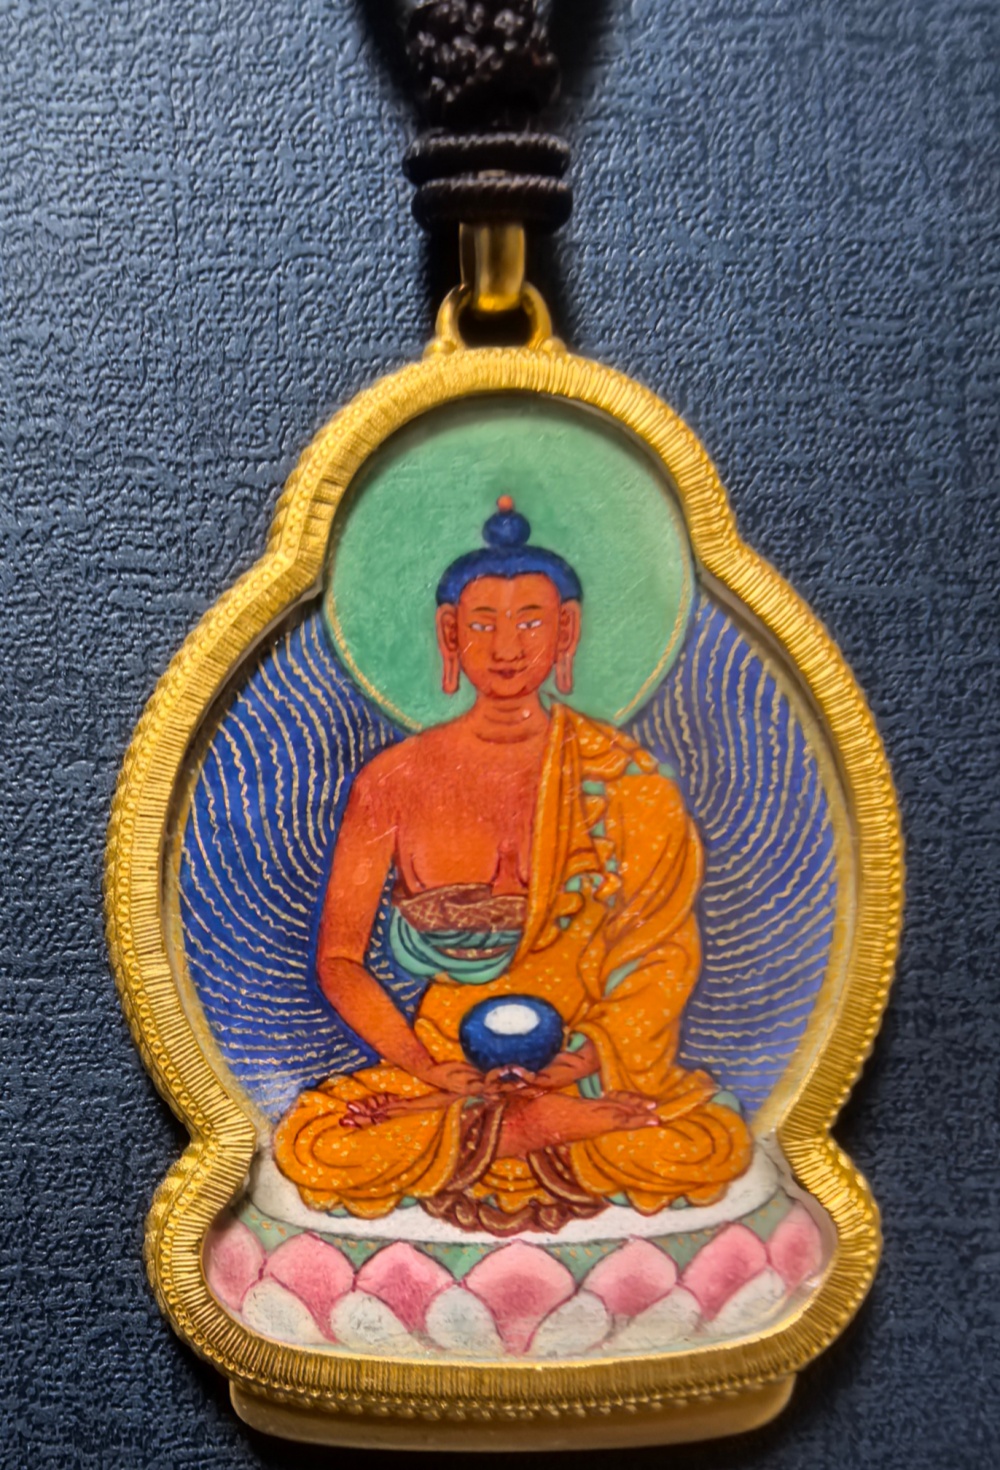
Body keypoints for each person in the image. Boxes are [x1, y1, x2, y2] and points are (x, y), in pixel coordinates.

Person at [273, 497, 752, 1232]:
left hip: (582, 1060)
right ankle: (538, 1129)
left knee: (709, 1141)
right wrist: (423, 1066)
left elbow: (661, 953)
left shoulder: (622, 777)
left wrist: (582, 1059)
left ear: (567, 630)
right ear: (449, 633)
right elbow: (339, 959)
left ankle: (523, 1126)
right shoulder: (392, 780)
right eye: (482, 623)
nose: (506, 646)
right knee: (319, 1144)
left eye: (530, 621)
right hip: (444, 1064)